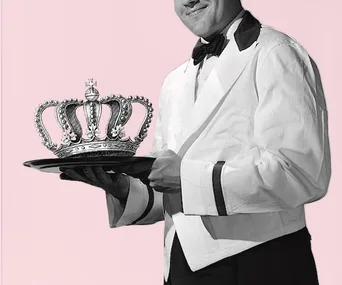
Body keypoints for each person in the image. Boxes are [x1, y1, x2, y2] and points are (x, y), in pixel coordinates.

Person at [61, 1, 331, 284]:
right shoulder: (174, 82)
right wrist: (125, 189)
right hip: (181, 268)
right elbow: (171, 190)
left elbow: (301, 172)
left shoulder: (277, 52)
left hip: (263, 264)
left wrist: (187, 177)